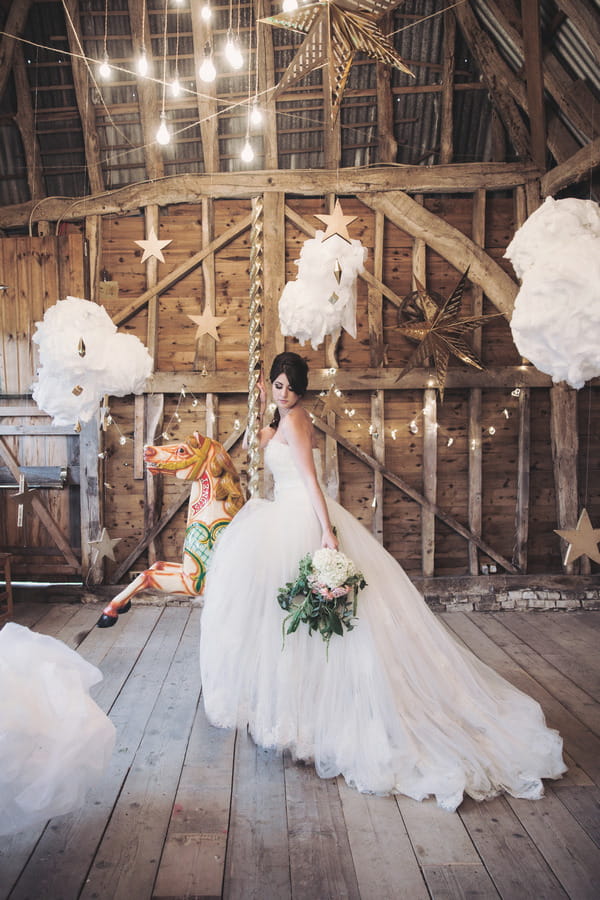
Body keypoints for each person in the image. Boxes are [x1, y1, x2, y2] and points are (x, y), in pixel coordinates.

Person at [200, 352, 565, 811]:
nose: (284, 392)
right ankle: (298, 709)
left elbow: (310, 481)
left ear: (302, 390)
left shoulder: (296, 421)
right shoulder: (281, 419)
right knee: (289, 622)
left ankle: (316, 714)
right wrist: (264, 398)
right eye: (277, 384)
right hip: (281, 517)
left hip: (301, 516)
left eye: (291, 386)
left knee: (313, 620)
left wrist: (327, 532)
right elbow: (268, 433)